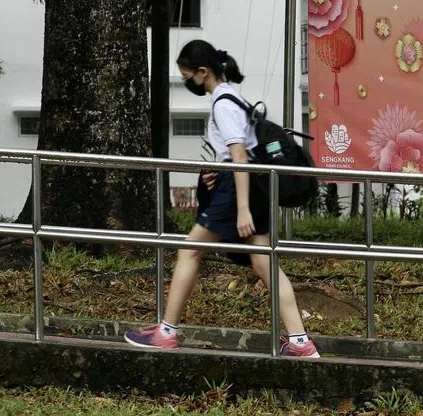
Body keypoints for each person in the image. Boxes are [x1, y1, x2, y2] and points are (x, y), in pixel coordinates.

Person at [125, 40, 318, 357]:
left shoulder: (223, 103)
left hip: (236, 190)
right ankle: (300, 342)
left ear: (203, 72)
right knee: (264, 262)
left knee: (189, 252)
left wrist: (241, 208)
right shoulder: (233, 97)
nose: (188, 82)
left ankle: (166, 332)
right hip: (251, 187)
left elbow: (239, 157)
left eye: (187, 75)